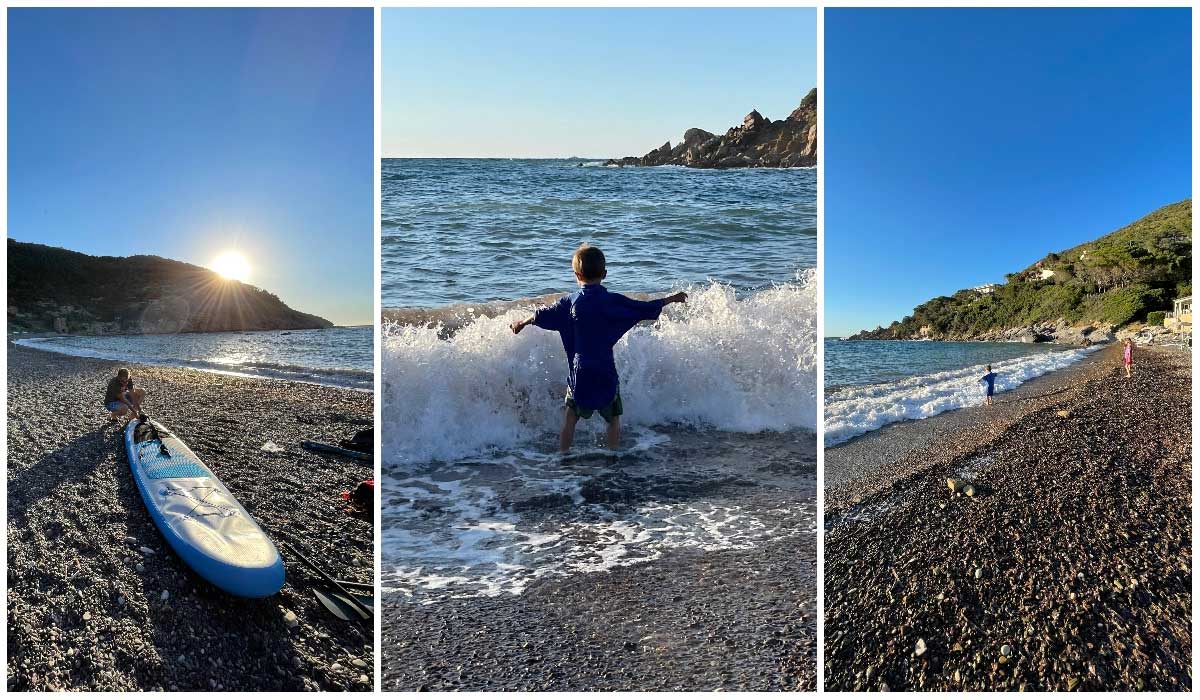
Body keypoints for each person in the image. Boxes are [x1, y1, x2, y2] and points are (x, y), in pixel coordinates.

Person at [511, 243, 687, 452]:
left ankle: (563, 455)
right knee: (613, 418)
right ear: (605, 273)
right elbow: (642, 308)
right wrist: (671, 299)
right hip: (605, 371)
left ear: (576, 275)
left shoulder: (570, 302)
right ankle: (612, 454)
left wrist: (521, 322)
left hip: (580, 373)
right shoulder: (612, 301)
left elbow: (542, 314)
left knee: (570, 418)